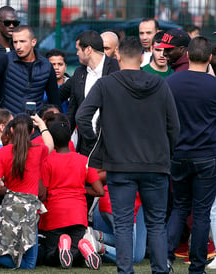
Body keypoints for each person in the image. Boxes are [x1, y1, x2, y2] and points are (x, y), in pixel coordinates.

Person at [76, 37, 180, 274]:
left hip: (119, 165)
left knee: (123, 224)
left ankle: (125, 271)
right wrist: (167, 152)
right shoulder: (160, 85)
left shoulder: (106, 84)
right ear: (143, 57)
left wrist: (98, 143)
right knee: (156, 224)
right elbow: (174, 126)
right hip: (156, 164)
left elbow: (82, 117)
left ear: (118, 57)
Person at [166, 36, 216, 274]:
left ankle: (165, 258)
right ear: (209, 58)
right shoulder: (213, 85)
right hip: (207, 155)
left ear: (188, 55)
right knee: (201, 212)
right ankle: (197, 267)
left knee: (179, 207)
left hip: (178, 154)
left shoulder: (171, 82)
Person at [0, 113, 53, 269]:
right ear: (31, 131)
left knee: (6, 243)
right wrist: (42, 124)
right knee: (28, 263)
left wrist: (1, 183)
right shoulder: (38, 149)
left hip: (9, 206)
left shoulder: (3, 152)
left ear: (11, 130)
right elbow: (50, 144)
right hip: (29, 209)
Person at [39, 119, 104, 269]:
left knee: (50, 256)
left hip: (55, 215)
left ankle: (63, 247)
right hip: (78, 214)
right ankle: (85, 253)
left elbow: (42, 194)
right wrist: (81, 189)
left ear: (52, 141)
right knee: (74, 252)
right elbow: (99, 191)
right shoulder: (83, 160)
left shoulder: (47, 161)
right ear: (70, 138)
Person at [60, 30, 119, 155]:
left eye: (78, 49)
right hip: (86, 144)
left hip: (112, 142)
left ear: (88, 50)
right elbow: (72, 109)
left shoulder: (117, 68)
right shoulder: (79, 73)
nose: (76, 53)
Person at [0, 25, 61, 115]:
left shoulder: (46, 66)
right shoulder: (6, 59)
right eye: (15, 42)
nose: (18, 46)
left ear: (33, 42)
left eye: (22, 41)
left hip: (34, 123)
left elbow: (54, 100)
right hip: (9, 123)